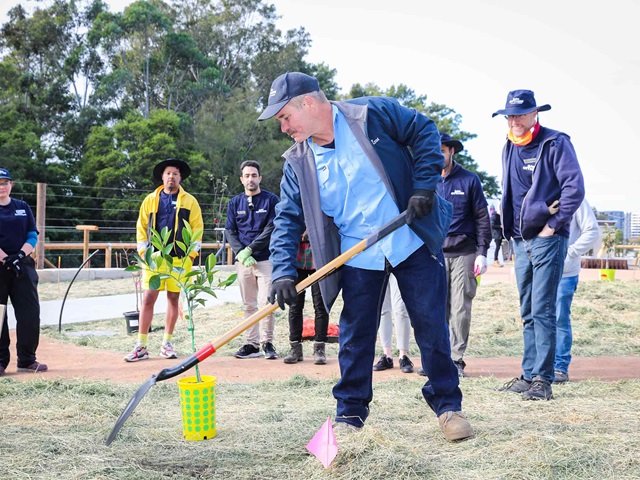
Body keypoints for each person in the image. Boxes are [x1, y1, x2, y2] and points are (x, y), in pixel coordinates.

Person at [260, 71, 473, 441]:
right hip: (358, 254)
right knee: (355, 336)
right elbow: (287, 219)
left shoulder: (372, 114)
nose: (283, 128)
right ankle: (350, 414)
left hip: (409, 239)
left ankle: (448, 408)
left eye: (284, 117)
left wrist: (424, 185)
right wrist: (282, 273)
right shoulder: (297, 163)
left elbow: (424, 131)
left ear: (307, 103)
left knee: (431, 326)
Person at [493, 90, 585, 400]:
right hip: (520, 240)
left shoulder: (556, 142)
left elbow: (575, 188)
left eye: (519, 114)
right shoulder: (509, 146)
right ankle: (529, 373)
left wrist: (552, 226)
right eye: (510, 115)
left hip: (547, 239)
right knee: (527, 310)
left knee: (544, 309)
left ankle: (543, 381)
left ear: (535, 114)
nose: (514, 120)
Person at [124, 158, 203, 362]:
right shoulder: (151, 199)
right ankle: (141, 345)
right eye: (168, 173)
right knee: (149, 297)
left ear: (180, 177)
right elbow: (141, 228)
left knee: (173, 299)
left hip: (179, 260)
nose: (171, 177)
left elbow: (197, 229)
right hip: (155, 259)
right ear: (162, 176)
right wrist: (144, 254)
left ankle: (166, 343)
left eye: (175, 173)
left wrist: (191, 256)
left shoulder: (190, 201)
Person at [436, 133, 491, 378]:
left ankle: (456, 360)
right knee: (437, 308)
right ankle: (437, 359)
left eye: (443, 151)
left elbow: (482, 218)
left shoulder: (469, 180)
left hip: (464, 252)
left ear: (451, 152)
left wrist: (482, 253)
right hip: (435, 252)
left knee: (460, 307)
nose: (439, 155)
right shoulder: (426, 180)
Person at [225, 160, 280, 360]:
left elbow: (271, 228)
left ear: (260, 178)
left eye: (254, 175)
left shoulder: (271, 200)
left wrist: (251, 249)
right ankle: (252, 344)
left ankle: (267, 343)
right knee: (248, 304)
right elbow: (230, 230)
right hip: (243, 262)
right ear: (242, 179)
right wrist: (240, 252)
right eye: (247, 176)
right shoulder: (234, 203)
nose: (251, 179)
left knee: (267, 303)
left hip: (265, 259)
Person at [0, 168, 48, 375]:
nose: (1, 187)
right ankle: (1, 361)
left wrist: (20, 256)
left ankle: (27, 359)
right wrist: (5, 258)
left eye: (5, 182)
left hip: (22, 266)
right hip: (0, 266)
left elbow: (32, 235)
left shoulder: (22, 207)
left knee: (29, 313)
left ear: (11, 185)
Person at [554, 199, 599, 383]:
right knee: (536, 318)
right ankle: (539, 367)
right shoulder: (535, 193)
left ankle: (559, 367)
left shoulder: (576, 199)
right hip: (538, 270)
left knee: (560, 318)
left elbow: (592, 231)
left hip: (565, 272)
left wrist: (570, 252)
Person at [283, 229, 329, 365]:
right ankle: (295, 347)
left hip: (319, 261)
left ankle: (319, 348)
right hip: (297, 261)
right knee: (295, 305)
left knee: (320, 305)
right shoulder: (295, 210)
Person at [372, 274, 414, 374]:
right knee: (382, 308)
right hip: (379, 262)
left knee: (401, 308)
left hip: (397, 261)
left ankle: (403, 355)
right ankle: (387, 356)